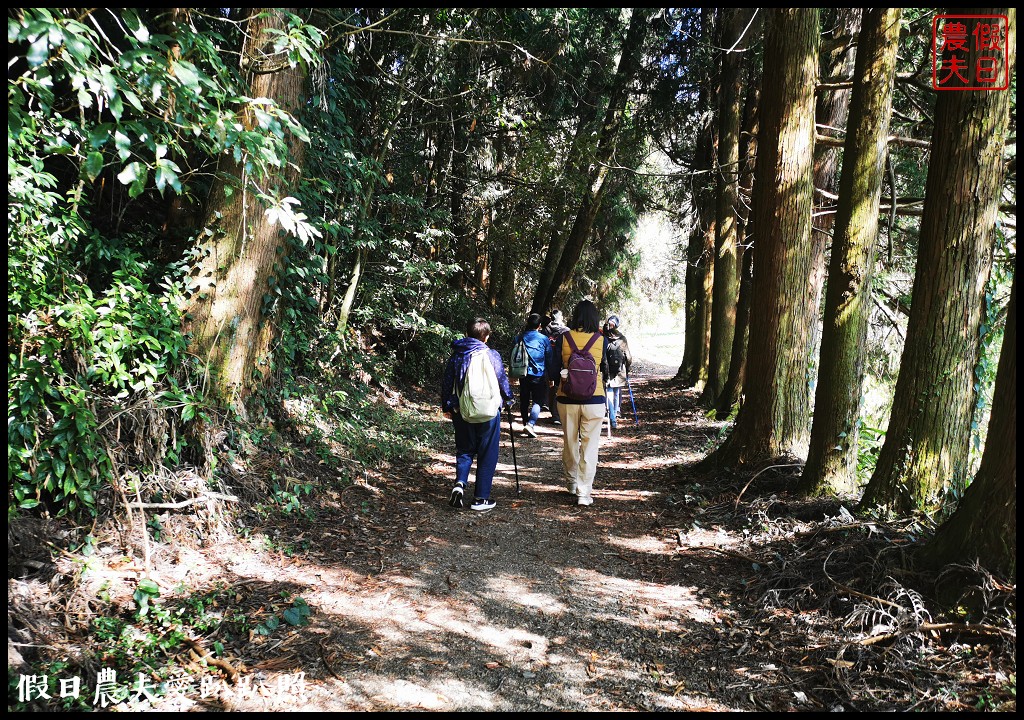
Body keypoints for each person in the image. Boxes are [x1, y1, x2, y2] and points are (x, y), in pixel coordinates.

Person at [440, 317, 514, 512]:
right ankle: (481, 498)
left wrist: (447, 405)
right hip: (489, 411)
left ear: (467, 333)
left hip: (462, 410)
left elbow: (448, 381)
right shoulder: (492, 355)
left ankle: (460, 484)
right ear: (486, 337)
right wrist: (509, 399)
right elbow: (502, 379)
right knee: (487, 452)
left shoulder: (457, 355)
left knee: (464, 449)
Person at [552, 299, 608, 506]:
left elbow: (554, 366)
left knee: (570, 442)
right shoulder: (602, 340)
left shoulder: (564, 338)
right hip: (595, 398)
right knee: (590, 446)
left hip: (566, 398)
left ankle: (571, 483)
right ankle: (584, 493)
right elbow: (607, 369)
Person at [513, 312, 554, 438]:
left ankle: (526, 422)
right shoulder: (543, 339)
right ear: (540, 325)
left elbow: (514, 355)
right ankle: (530, 424)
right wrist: (551, 377)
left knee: (524, 399)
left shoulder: (518, 338)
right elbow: (549, 359)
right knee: (538, 401)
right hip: (538, 374)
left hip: (523, 373)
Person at [602, 315, 633, 430]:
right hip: (620, 370)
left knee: (608, 393)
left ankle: (612, 419)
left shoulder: (604, 337)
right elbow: (628, 357)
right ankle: (615, 413)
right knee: (616, 393)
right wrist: (627, 368)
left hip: (608, 370)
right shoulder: (622, 338)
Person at [543, 310, 569, 426]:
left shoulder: (545, 330)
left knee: (551, 386)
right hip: (563, 362)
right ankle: (558, 414)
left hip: (548, 361)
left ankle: (552, 411)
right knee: (561, 387)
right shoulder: (566, 332)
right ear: (560, 317)